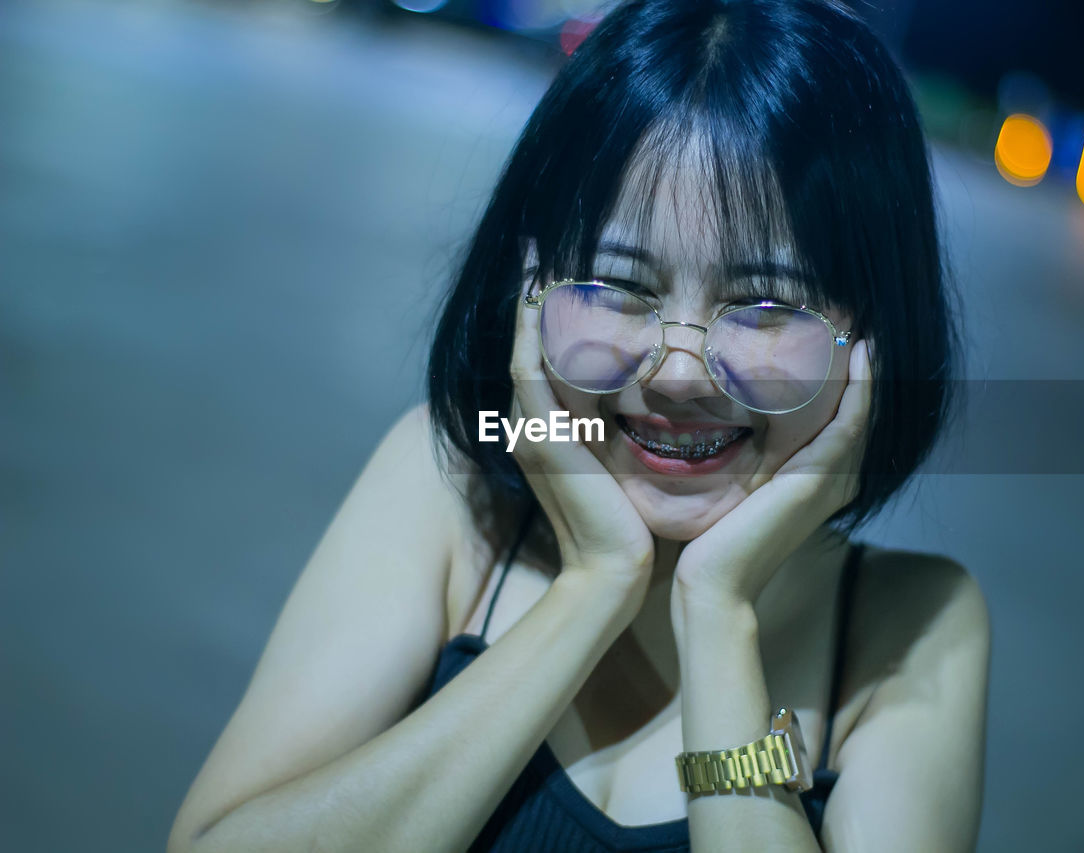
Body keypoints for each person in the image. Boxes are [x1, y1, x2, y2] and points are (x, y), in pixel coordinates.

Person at [168, 1, 990, 851]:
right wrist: (593, 586)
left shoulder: (907, 626)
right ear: (533, 292)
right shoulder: (449, 489)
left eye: (763, 304)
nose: (678, 373)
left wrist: (717, 615)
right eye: (619, 286)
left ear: (875, 340)